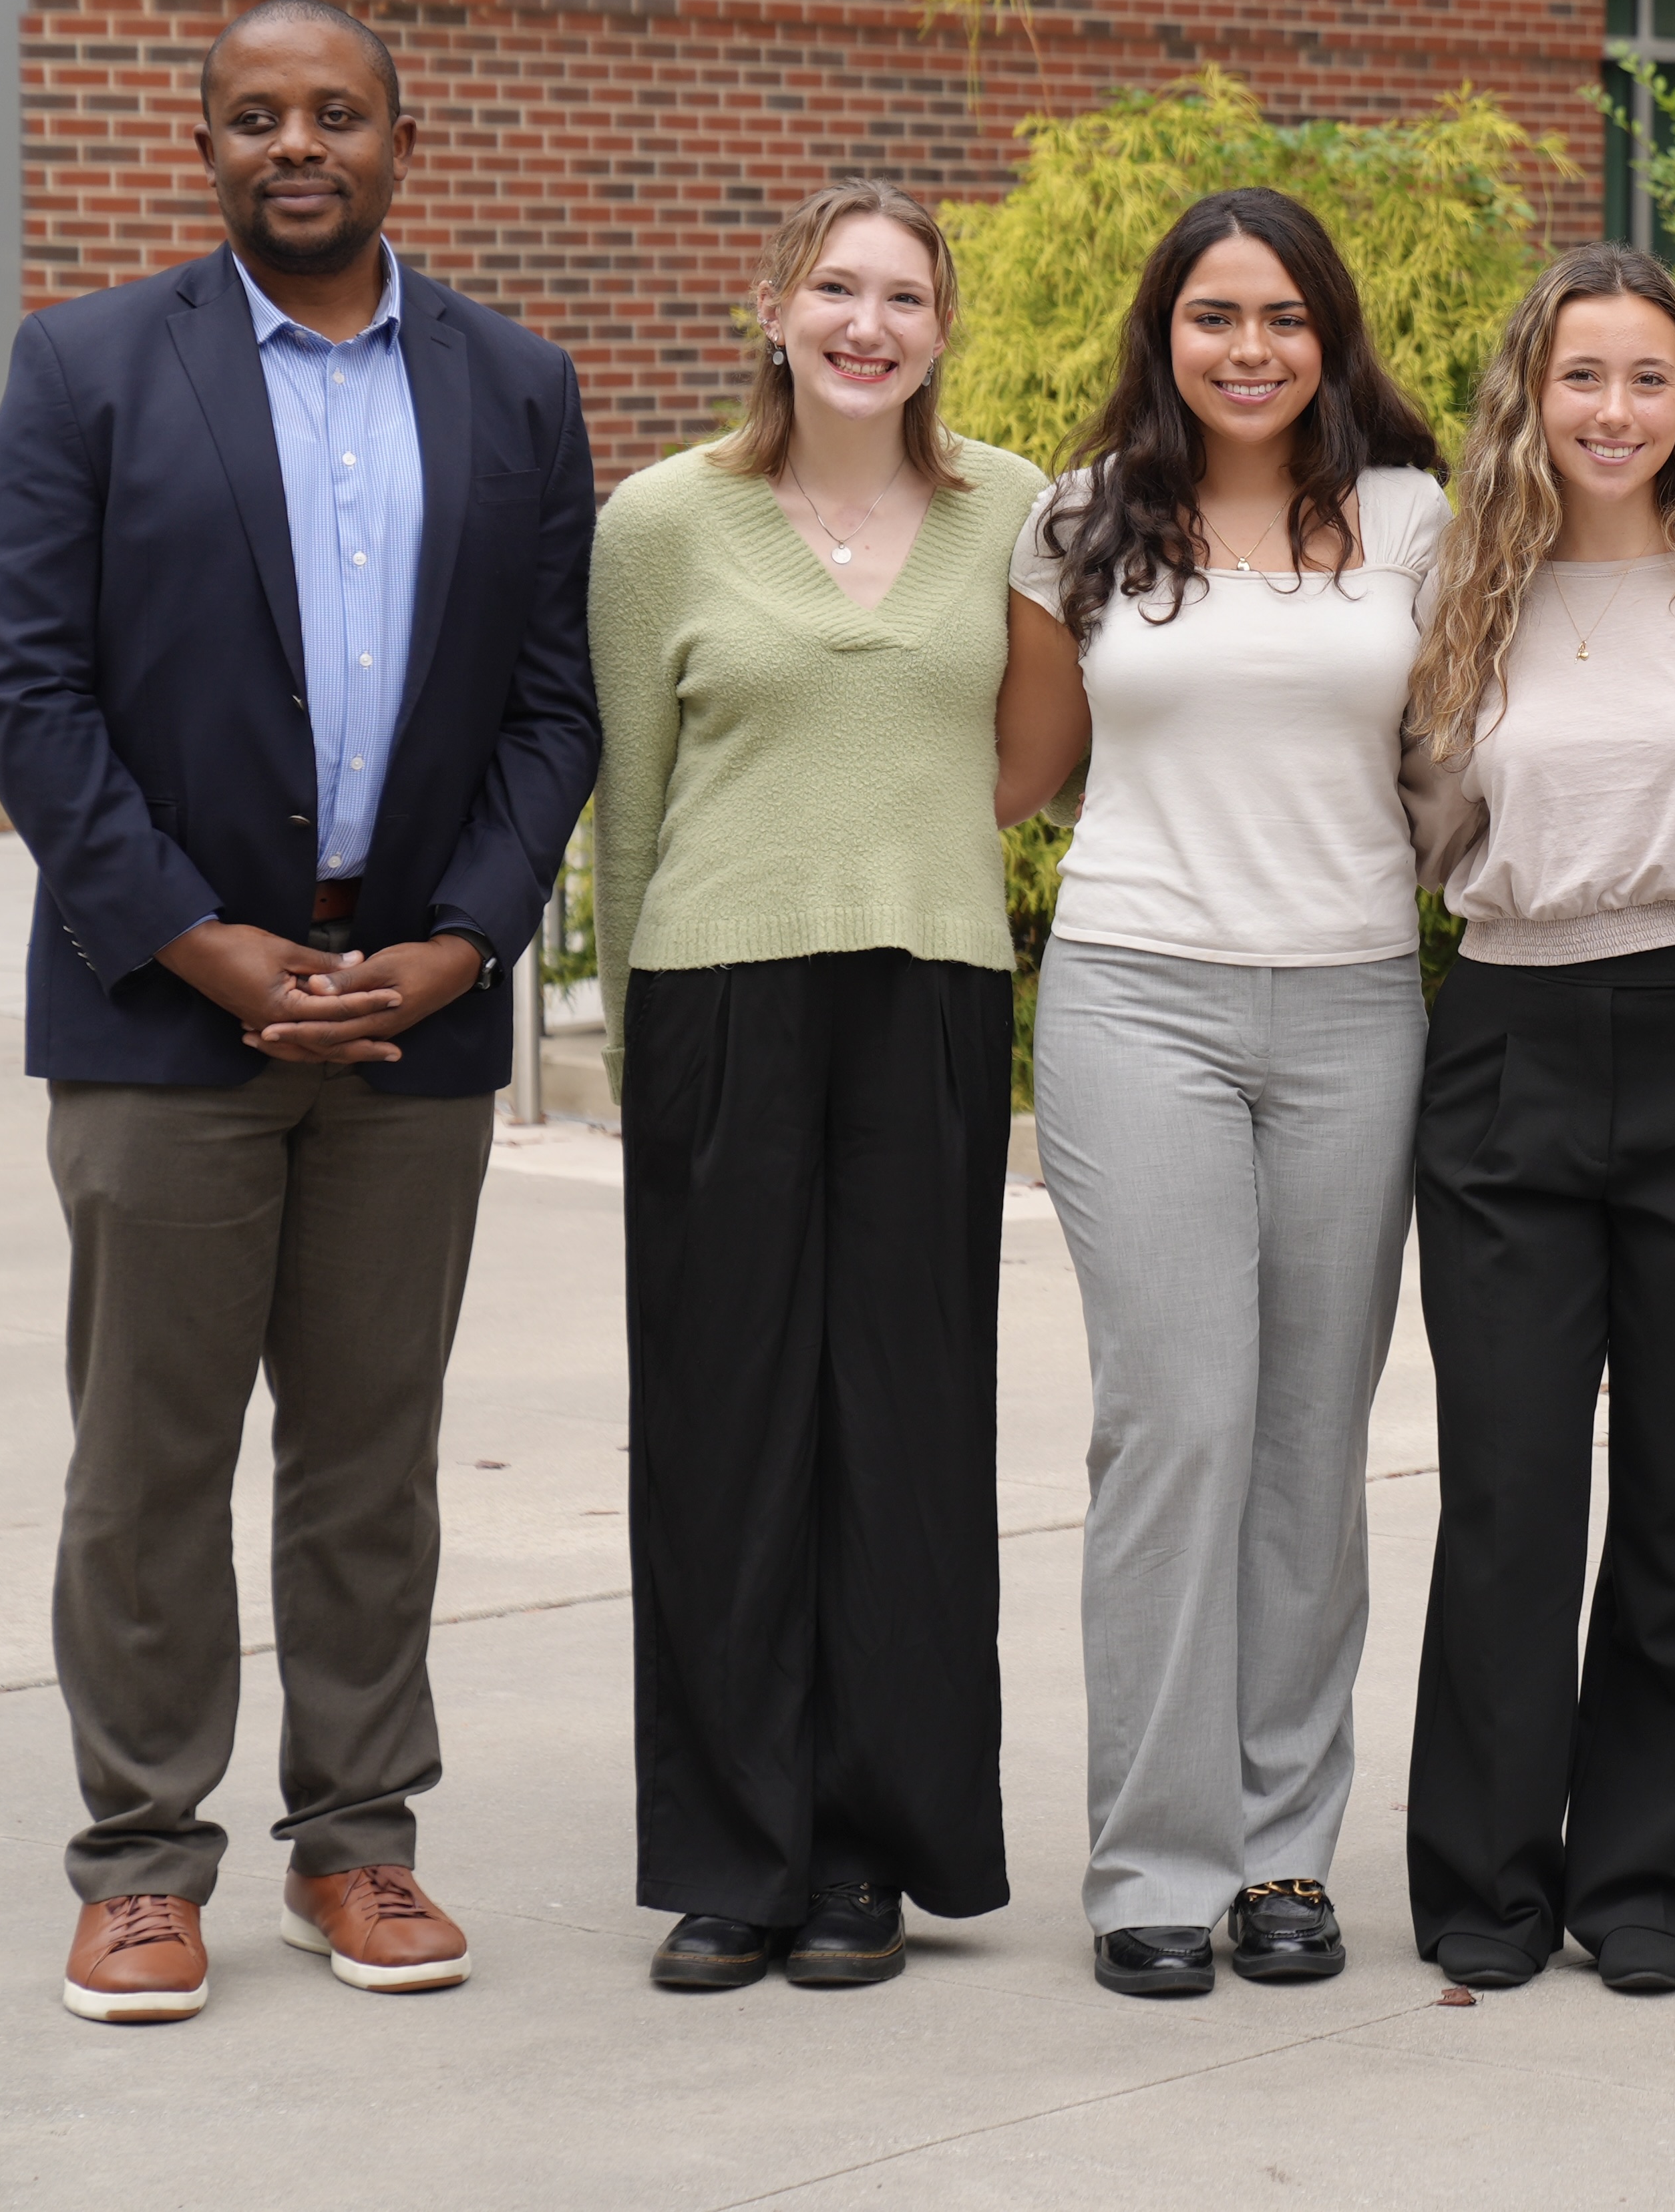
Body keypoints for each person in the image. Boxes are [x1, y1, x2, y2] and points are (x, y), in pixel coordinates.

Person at [0, 0, 598, 2025]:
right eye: (255, 117)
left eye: (335, 113)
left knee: (366, 1458)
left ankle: (360, 1845)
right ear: (205, 144)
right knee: (148, 1461)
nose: (294, 143)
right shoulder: (86, 369)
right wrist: (203, 945)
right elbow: (22, 693)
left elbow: (551, 704)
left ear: (410, 136)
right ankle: (143, 1863)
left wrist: (469, 938)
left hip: (408, 1012)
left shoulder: (513, 386)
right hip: (166, 1016)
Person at [590, 178, 1049, 1994]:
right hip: (719, 998)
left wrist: (905, 852)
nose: (870, 325)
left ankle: (867, 1847)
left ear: (943, 328)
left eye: (906, 297)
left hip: (929, 993)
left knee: (908, 1435)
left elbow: (1025, 753)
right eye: (837, 290)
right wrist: (635, 1044)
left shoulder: (1008, 507)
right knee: (722, 1440)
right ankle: (732, 1851)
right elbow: (629, 804)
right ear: (771, 307)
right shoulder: (659, 521)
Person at [997, 187, 1448, 2000]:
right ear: (1161, 336)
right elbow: (1019, 769)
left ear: (1328, 334)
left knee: (1308, 1443)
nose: (1248, 347)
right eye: (1211, 317)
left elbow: (1468, 758)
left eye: (1280, 315)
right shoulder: (1080, 518)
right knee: (1175, 1424)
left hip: (1355, 1007)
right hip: (1139, 998)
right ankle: (1152, 1866)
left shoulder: (1416, 518)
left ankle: (1285, 1859)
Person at [1397, 245, 1675, 1999]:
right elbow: (1424, 819)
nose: (1613, 409)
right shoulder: (1458, 590)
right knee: (1506, 1481)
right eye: (1583, 375)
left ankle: (1666, 1876)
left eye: (1647, 377)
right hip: (1507, 1021)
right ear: (1532, 391)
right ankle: (1490, 1879)